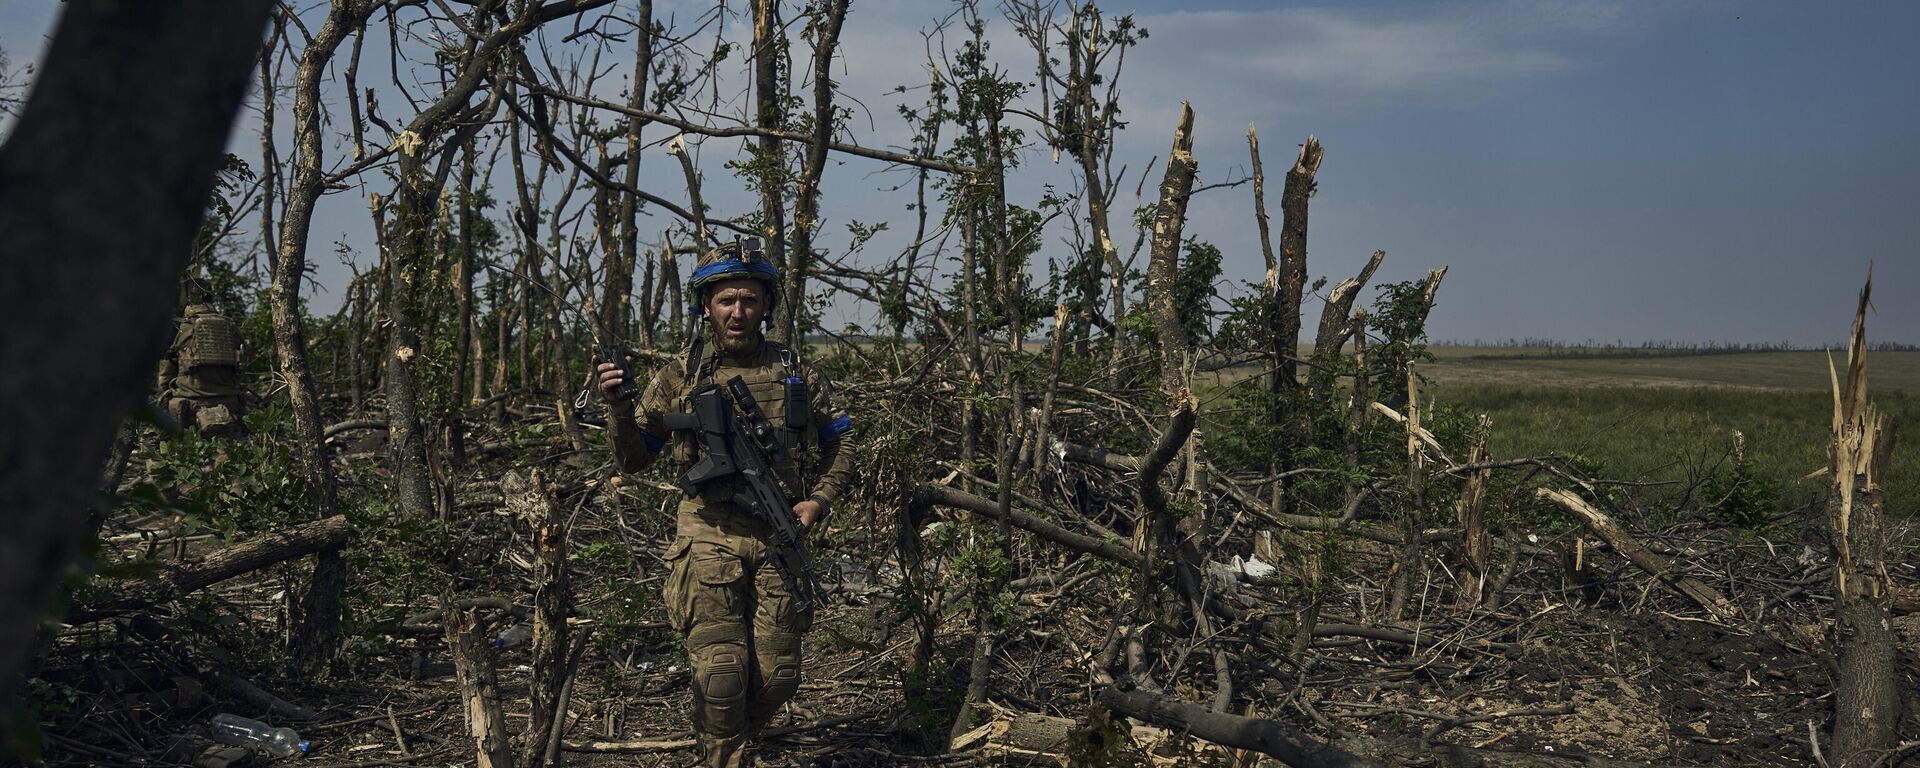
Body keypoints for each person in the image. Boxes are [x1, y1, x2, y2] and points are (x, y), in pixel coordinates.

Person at [597, 238, 854, 768]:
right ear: (706, 306)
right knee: (720, 675)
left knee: (779, 677)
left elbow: (843, 439)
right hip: (708, 529)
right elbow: (634, 458)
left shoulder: (796, 367)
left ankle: (729, 737)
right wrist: (619, 410)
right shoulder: (682, 373)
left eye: (749, 301)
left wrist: (819, 502)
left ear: (766, 305)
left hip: (780, 531)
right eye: (726, 301)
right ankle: (724, 757)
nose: (738, 312)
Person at [156, 297, 247, 438]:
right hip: (228, 402)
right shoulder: (231, 326)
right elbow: (243, 363)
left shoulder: (182, 328)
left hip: (189, 403)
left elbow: (166, 372)